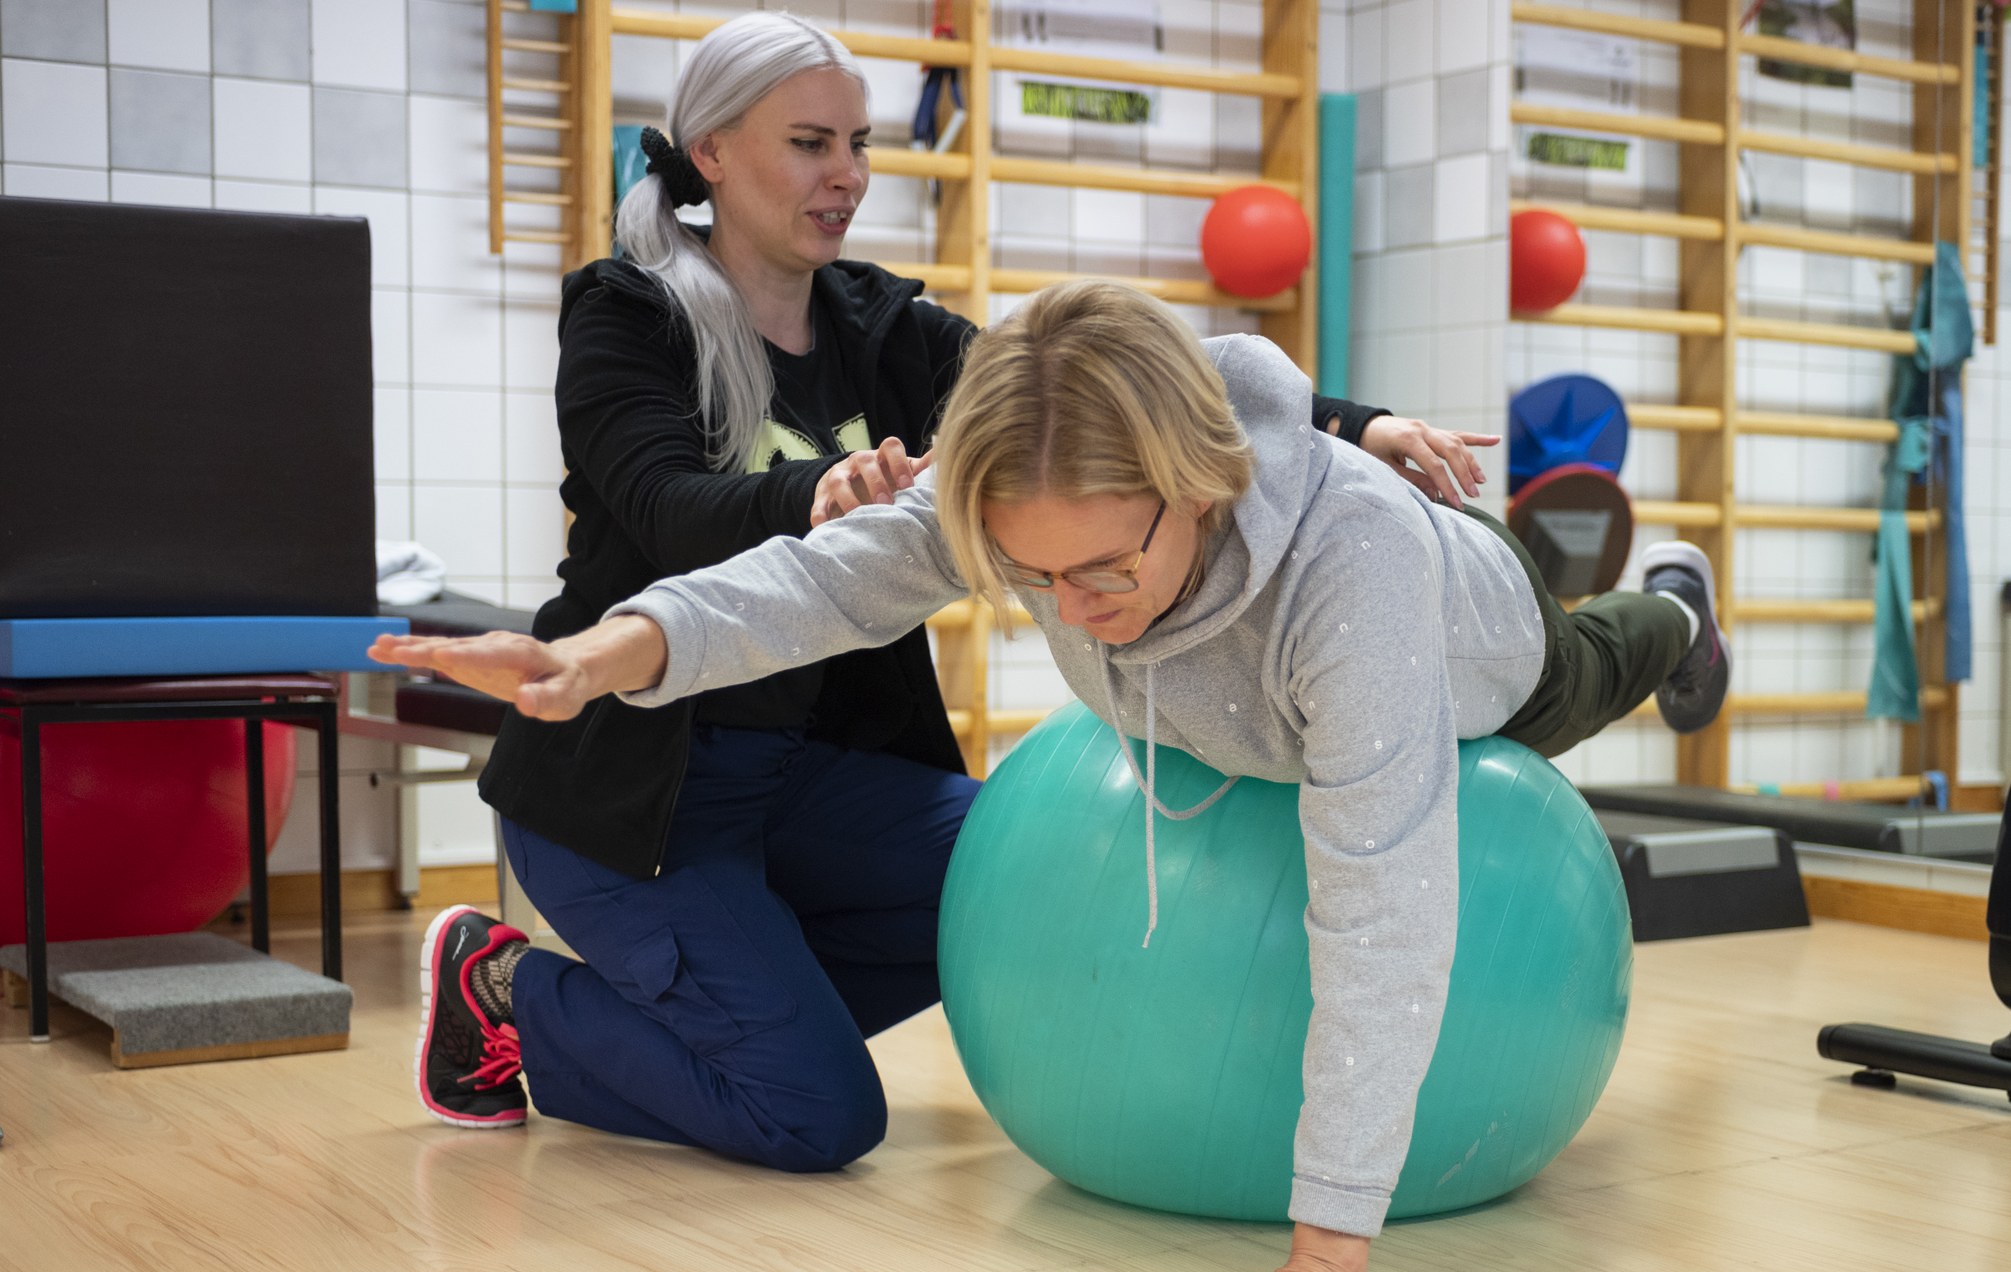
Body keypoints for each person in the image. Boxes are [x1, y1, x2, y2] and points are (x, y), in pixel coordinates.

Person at [372, 279, 1729, 1272]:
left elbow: (1380, 912)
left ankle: (1673, 602)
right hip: (1228, 709)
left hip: (1471, 650)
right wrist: (608, 654)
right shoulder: (1039, 482)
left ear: (1198, 484)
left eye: (1101, 570)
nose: (1069, 608)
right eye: (1030, 576)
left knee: (1580, 670)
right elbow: (826, 578)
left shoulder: (1350, 573)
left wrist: (1324, 1254)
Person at [408, 12, 1473, 1176]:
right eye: (811, 143)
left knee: (1039, 888)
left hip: (818, 782)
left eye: (858, 143)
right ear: (709, 151)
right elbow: (663, 508)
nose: (848, 176)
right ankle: (505, 988)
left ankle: (736, 1013)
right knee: (813, 1116)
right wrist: (823, 490)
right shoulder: (628, 312)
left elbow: (1117, 384)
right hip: (637, 784)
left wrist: (1351, 423)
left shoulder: (891, 330)